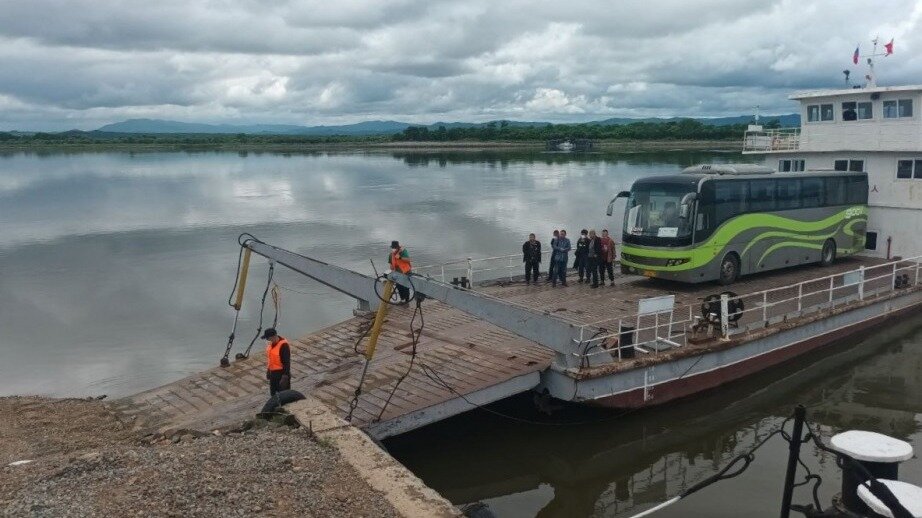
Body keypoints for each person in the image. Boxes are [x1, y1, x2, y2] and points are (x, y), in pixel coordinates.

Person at [262, 328, 290, 397]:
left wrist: (285, 376)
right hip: (273, 373)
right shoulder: (271, 344)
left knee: (283, 395)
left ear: (273, 337)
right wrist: (268, 370)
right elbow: (270, 359)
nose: (267, 340)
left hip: (281, 374)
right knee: (273, 394)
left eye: (268, 338)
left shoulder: (283, 345)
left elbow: (286, 362)